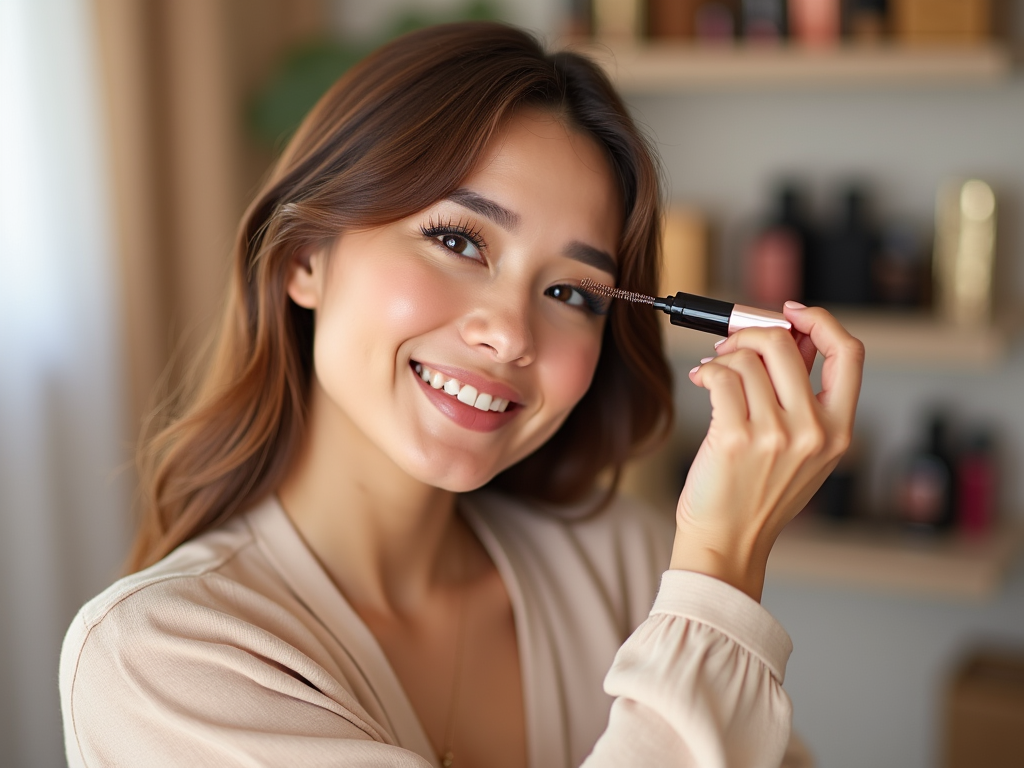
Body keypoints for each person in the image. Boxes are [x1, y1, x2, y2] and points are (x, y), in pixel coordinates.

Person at [59, 21, 863, 768]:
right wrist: (720, 576)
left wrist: (702, 583)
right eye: (457, 240)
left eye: (574, 292)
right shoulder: (158, 660)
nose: (511, 333)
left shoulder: (625, 562)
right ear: (305, 257)